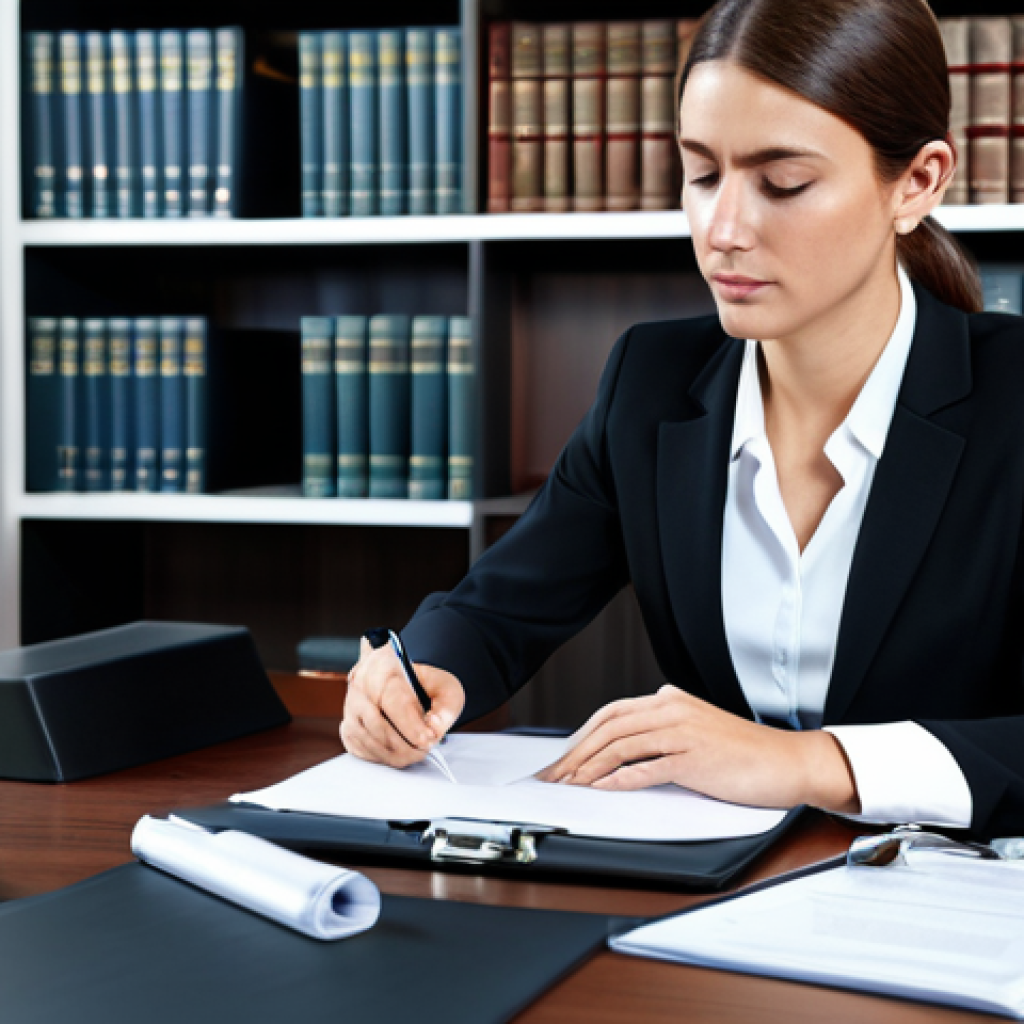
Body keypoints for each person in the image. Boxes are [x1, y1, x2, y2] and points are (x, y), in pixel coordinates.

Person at [342, 0, 1024, 839]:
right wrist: (417, 672)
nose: (722, 230)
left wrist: (807, 762)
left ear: (917, 182)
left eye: (784, 184)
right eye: (702, 174)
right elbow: (498, 610)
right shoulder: (652, 381)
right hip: (716, 893)